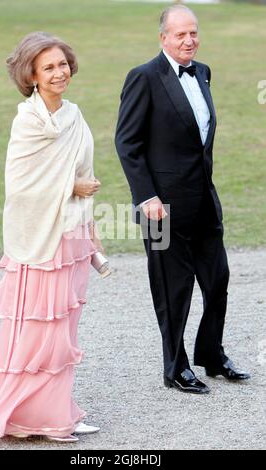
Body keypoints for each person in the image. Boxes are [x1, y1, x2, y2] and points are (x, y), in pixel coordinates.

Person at [115, 5, 250, 394]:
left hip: (204, 200)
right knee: (173, 289)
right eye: (180, 35)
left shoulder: (203, 72)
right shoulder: (143, 77)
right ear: (163, 38)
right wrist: (146, 197)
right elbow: (127, 143)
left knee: (217, 279)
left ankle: (211, 354)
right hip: (161, 209)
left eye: (193, 33)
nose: (189, 40)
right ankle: (175, 367)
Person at [0, 32, 103, 441]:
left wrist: (90, 224)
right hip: (39, 242)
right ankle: (18, 414)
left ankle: (56, 412)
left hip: (72, 237)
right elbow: (19, 187)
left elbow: (83, 170)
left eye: (62, 63)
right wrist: (72, 187)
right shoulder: (27, 122)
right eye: (48, 67)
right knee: (39, 330)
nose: (59, 72)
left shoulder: (75, 115)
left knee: (64, 329)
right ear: (31, 75)